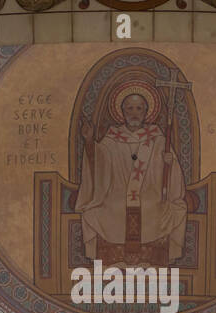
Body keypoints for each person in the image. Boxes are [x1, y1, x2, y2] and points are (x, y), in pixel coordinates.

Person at [75, 87, 187, 265]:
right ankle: (113, 260)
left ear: (146, 112)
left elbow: (169, 176)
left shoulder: (157, 139)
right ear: (122, 112)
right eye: (130, 109)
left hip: (150, 193)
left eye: (139, 109)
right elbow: (99, 163)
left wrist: (168, 162)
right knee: (103, 210)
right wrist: (89, 141)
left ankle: (153, 259)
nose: (134, 113)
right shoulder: (112, 138)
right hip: (115, 193)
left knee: (159, 207)